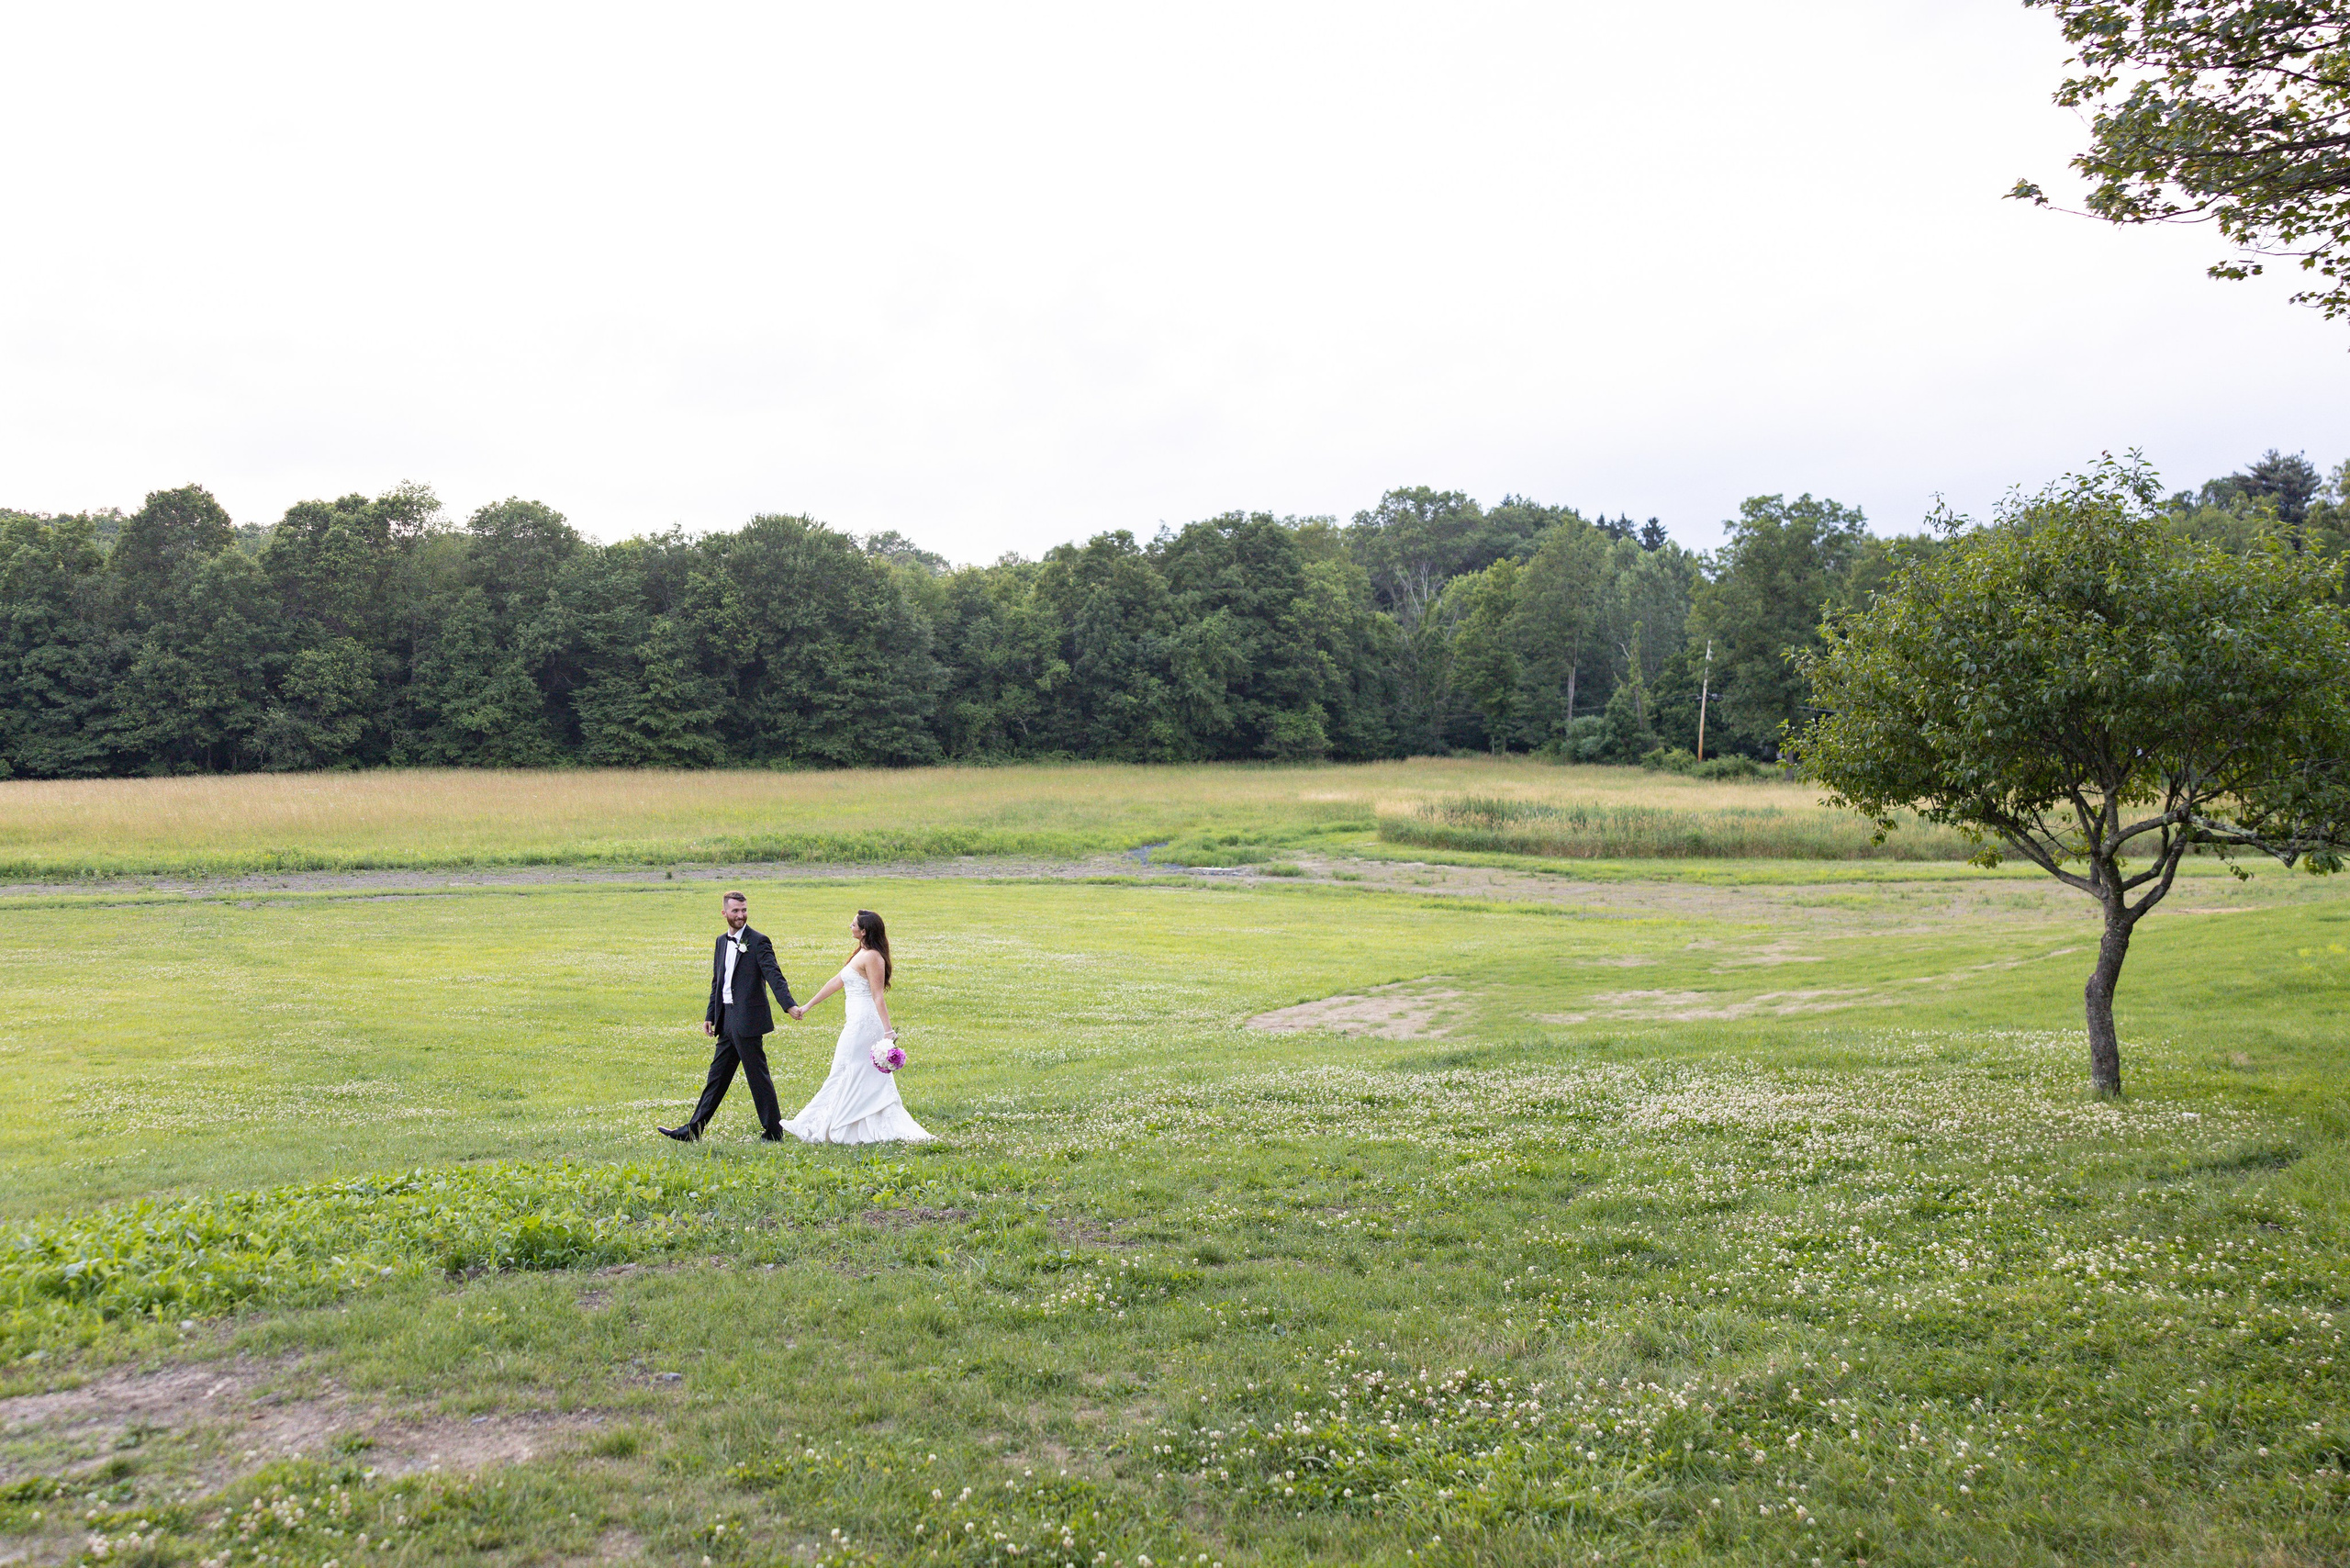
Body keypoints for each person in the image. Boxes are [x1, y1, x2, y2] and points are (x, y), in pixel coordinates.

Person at [779, 909, 933, 1145]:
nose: (850, 927)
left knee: (845, 1069)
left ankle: (831, 1124)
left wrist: (888, 1031)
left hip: (864, 1023)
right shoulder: (860, 952)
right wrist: (807, 1006)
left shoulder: (873, 957)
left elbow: (878, 996)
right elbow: (836, 982)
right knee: (847, 1070)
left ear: (864, 931)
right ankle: (838, 1122)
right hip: (855, 1020)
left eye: (853, 925)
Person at [660, 890, 797, 1143]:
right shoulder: (721, 942)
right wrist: (711, 1015)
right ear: (724, 913)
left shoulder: (759, 941)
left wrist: (788, 1005)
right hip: (726, 1019)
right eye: (735, 911)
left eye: (744, 910)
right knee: (716, 1078)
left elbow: (774, 975)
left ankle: (773, 1132)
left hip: (748, 1019)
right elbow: (718, 981)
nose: (741, 915)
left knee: (758, 1077)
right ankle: (693, 1130)